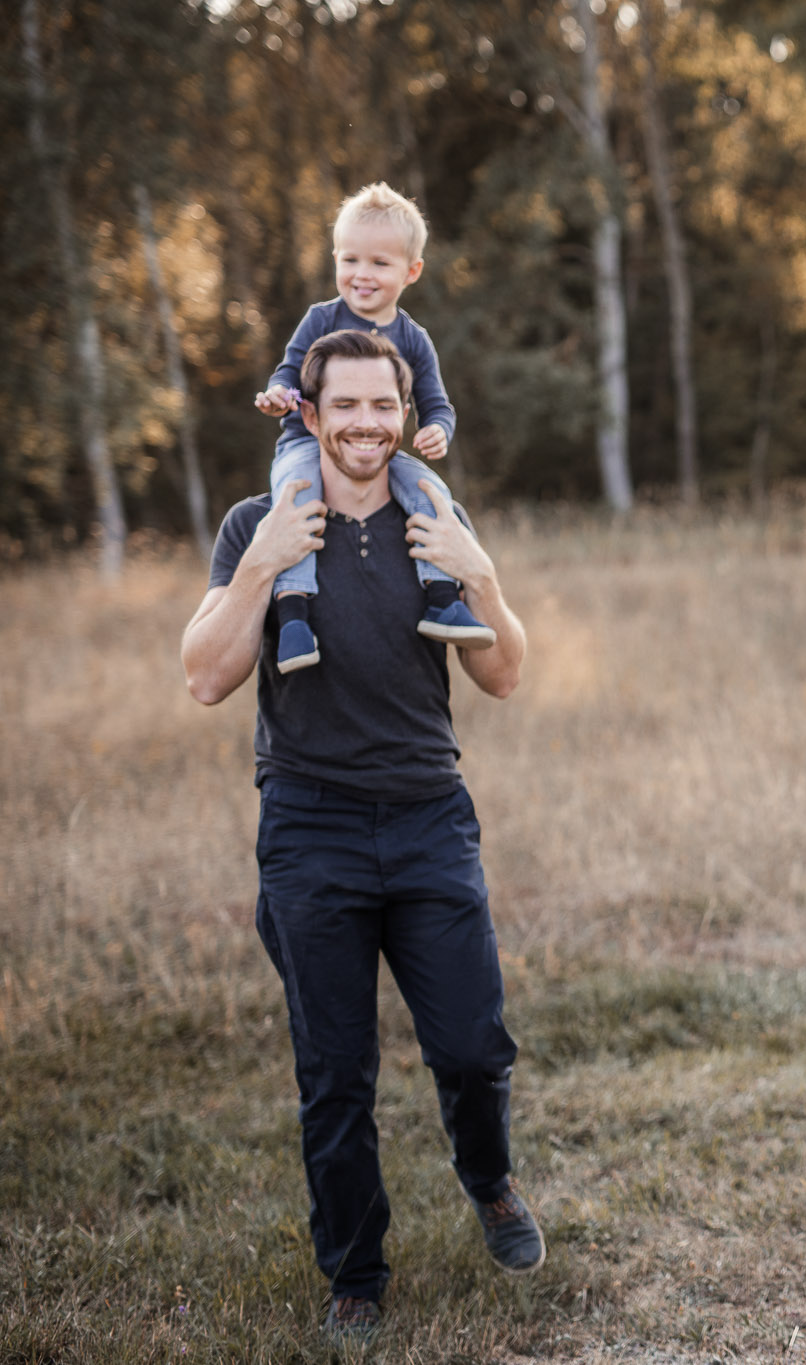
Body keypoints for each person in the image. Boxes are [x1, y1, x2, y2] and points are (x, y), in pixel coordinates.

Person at [182, 328, 540, 1344]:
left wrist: (485, 579)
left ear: (402, 408)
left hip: (430, 820)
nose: (367, 425)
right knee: (333, 1074)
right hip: (311, 829)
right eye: (344, 407)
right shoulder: (260, 521)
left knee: (473, 1048)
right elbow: (205, 676)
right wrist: (258, 570)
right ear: (307, 410)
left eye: (383, 406)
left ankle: (489, 1179)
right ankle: (355, 1276)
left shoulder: (436, 515)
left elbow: (504, 674)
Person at [253, 181, 495, 674]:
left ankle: (443, 597)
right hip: (306, 442)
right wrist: (281, 397)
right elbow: (288, 373)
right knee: (297, 499)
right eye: (350, 260)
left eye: (379, 264)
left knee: (431, 491)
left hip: (384, 453)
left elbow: (437, 405)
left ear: (412, 271)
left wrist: (438, 432)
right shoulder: (321, 319)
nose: (361, 275)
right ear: (336, 259)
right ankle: (295, 615)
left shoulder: (414, 339)